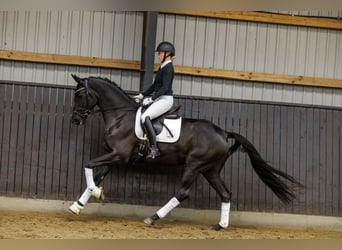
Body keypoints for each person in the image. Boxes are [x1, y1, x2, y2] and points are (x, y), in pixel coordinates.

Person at [134, 41, 175, 159]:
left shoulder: (169, 68)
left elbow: (165, 88)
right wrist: (142, 95)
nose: (158, 55)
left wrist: (152, 98)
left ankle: (154, 148)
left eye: (160, 53)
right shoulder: (163, 67)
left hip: (165, 99)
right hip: (160, 98)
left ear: (168, 54)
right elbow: (154, 86)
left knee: (144, 117)